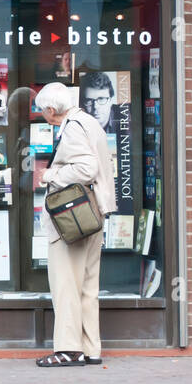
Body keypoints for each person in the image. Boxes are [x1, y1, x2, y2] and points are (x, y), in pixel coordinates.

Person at [34, 82, 117, 367]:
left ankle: (69, 350)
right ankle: (91, 348)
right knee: (87, 286)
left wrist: (49, 175)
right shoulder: (90, 122)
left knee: (66, 284)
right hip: (93, 213)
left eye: (42, 111)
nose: (43, 115)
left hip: (73, 219)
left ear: (49, 109)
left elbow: (86, 168)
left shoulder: (72, 126)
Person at [79, 71, 119, 136]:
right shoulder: (76, 124)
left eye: (101, 99)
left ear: (110, 101)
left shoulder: (125, 121)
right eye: (89, 100)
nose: (95, 107)